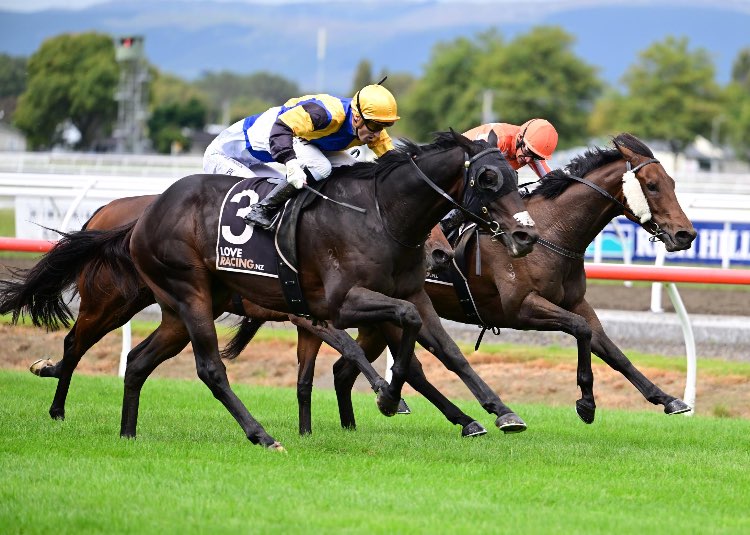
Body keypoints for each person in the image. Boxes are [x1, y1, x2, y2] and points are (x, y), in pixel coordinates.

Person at [203, 84, 400, 229]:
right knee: (320, 167)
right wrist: (290, 163)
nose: (378, 133)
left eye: (384, 126)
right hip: (224, 155)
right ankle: (261, 210)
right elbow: (281, 129)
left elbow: (394, 163)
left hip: (261, 157)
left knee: (350, 165)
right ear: (357, 117)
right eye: (375, 125)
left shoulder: (370, 128)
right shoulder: (325, 113)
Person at [441, 118, 559, 234]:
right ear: (520, 138)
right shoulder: (500, 139)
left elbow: (553, 182)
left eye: (535, 157)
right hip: (451, 166)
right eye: (528, 152)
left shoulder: (529, 148)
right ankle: (447, 220)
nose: (528, 160)